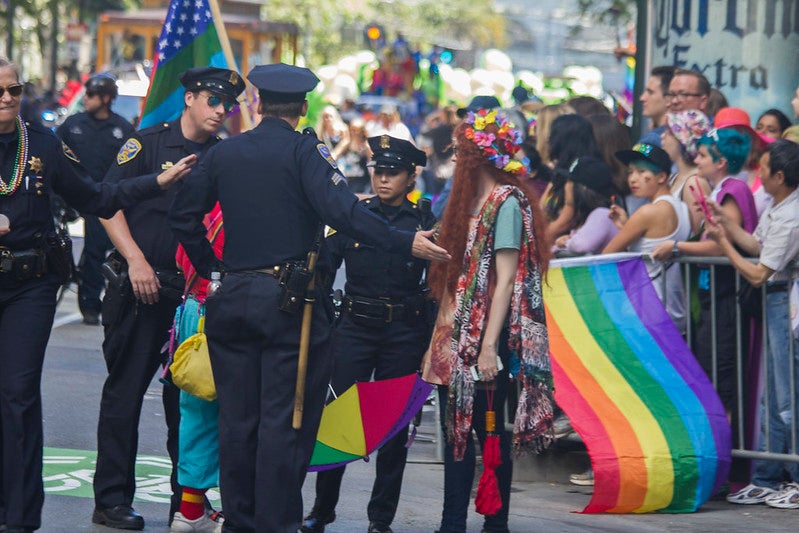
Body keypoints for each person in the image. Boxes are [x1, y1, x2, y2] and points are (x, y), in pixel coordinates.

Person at [168, 62, 449, 533]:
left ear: (257, 104)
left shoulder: (224, 153)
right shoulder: (306, 152)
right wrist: (406, 241)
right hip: (287, 305)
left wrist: (215, 270)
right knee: (285, 422)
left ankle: (239, 521)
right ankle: (274, 523)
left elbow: (183, 218)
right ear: (302, 108)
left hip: (232, 296)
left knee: (237, 421)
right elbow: (346, 213)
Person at [0, 57, 187, 533]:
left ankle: (19, 518)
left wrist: (155, 182)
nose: (6, 98)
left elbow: (98, 198)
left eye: (14, 89)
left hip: (30, 283)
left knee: (18, 394)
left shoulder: (43, 142)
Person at [92, 66, 245, 531]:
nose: (221, 111)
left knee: (190, 403)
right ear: (190, 99)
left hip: (194, 299)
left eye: (228, 105)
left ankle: (188, 500)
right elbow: (105, 203)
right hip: (142, 286)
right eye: (213, 101)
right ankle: (112, 499)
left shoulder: (224, 157)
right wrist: (135, 260)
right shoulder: (148, 143)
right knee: (125, 394)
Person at [421, 109, 554, 533]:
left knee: (488, 437)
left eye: (462, 152)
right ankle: (451, 522)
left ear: (478, 156)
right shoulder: (463, 205)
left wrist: (489, 347)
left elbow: (507, 280)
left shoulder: (506, 203)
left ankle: (495, 523)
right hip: (452, 336)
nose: (457, 160)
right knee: (455, 437)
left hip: (484, 342)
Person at [301, 136, 436, 533]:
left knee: (393, 429)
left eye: (393, 173)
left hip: (403, 331)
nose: (382, 180)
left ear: (411, 176)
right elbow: (323, 270)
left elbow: (441, 280)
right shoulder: (354, 216)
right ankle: (322, 511)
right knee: (339, 419)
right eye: (378, 171)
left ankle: (380, 519)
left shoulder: (425, 222)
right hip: (355, 329)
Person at [710, 139, 799, 508]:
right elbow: (756, 244)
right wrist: (725, 223)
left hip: (783, 302)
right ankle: (767, 476)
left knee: (786, 398)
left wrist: (723, 244)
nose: (757, 174)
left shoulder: (793, 215)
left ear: (780, 175)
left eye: (763, 169)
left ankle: (792, 477)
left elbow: (759, 273)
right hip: (774, 302)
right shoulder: (779, 205)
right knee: (772, 397)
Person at [651, 128, 757, 416]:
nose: (696, 160)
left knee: (722, 375)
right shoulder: (722, 189)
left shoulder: (732, 190)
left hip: (727, 296)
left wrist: (675, 246)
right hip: (713, 295)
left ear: (720, 161)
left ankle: (725, 450)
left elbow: (721, 245)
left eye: (702, 154)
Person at [56, 73, 136, 325]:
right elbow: (53, 156)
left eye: (90, 95)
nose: (86, 99)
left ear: (104, 98)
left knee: (95, 250)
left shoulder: (122, 129)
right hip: (68, 195)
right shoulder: (72, 124)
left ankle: (90, 303)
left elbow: (131, 166)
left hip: (101, 199)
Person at [170, 203, 226, 533]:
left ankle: (189, 511)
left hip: (194, 312)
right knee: (240, 416)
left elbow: (181, 257)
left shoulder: (207, 206)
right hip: (230, 314)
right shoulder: (251, 204)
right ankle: (237, 508)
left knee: (196, 414)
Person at [603, 143, 691, 332]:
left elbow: (607, 253)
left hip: (647, 312)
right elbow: (652, 242)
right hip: (673, 310)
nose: (633, 179)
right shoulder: (682, 208)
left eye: (642, 172)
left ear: (662, 177)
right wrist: (627, 226)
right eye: (630, 172)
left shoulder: (648, 212)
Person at [551, 157, 620, 256]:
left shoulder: (602, 214)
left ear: (583, 188)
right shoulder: (585, 217)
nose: (566, 186)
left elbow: (580, 246)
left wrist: (566, 242)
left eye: (570, 181)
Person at [660, 110, 713, 236]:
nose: (662, 136)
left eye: (669, 132)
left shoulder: (695, 183)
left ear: (682, 140)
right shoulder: (674, 178)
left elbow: (699, 236)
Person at [638, 66, 676, 146]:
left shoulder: (652, 141)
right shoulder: (682, 137)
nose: (642, 98)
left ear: (669, 99)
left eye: (650, 92)